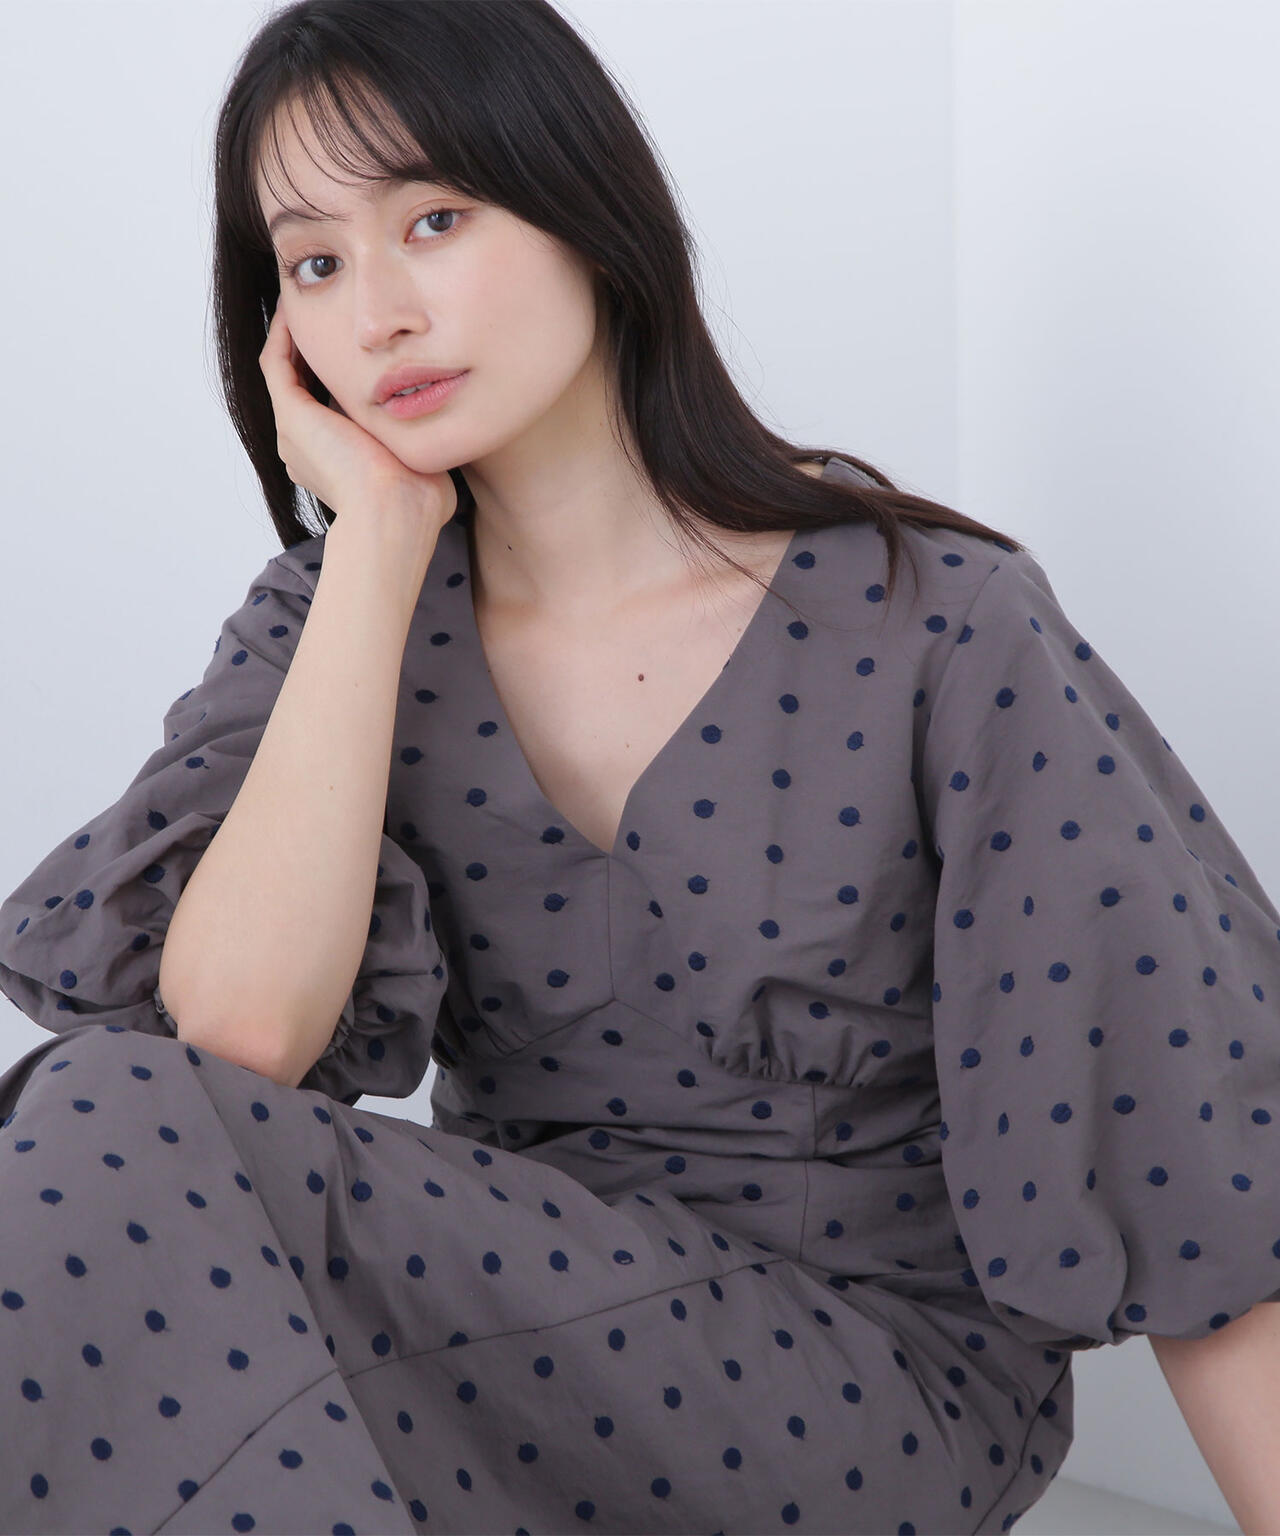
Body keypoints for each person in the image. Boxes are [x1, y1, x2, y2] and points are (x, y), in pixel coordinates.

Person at [1, 2, 1277, 1532]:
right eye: (316, 263)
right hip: (510, 1370)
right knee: (114, 1116)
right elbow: (237, 1035)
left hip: (863, 1391)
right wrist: (379, 549)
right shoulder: (329, 629)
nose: (378, 312)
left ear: (582, 206)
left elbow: (1186, 1134)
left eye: (434, 220)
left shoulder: (932, 615)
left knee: (100, 1124)